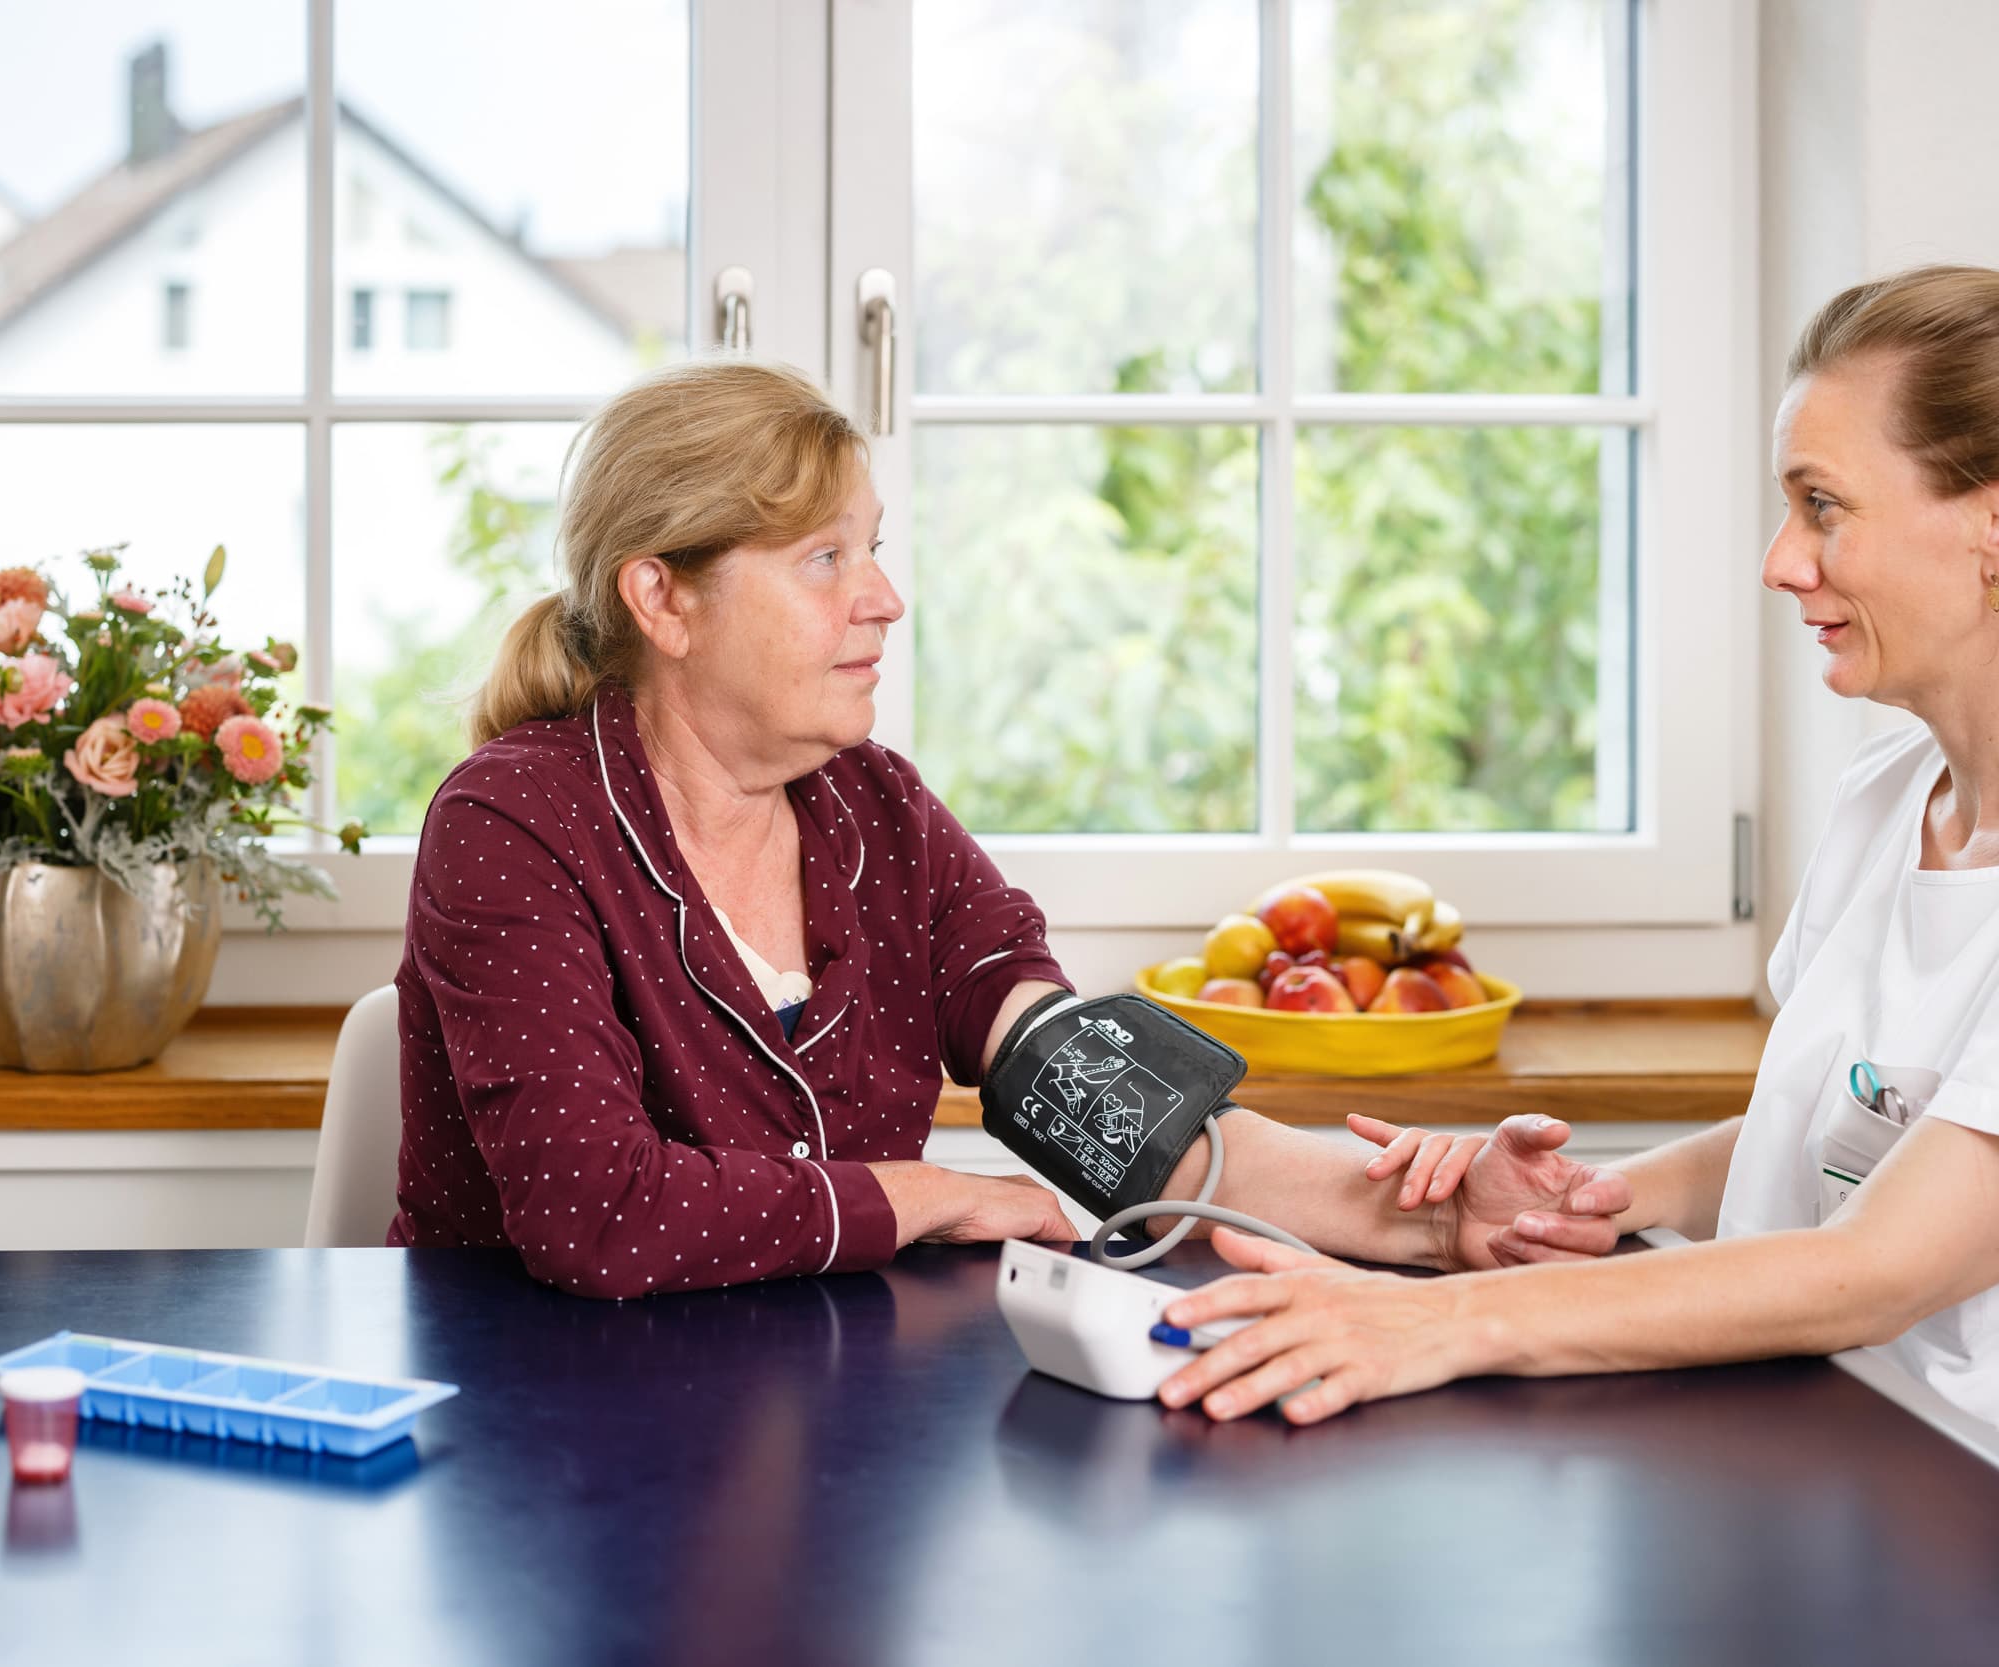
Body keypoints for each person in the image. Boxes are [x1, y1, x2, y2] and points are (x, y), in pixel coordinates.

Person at [1151, 266, 1999, 1597]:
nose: (1782, 560)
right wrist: (1596, 1197)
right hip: (1846, 1517)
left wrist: (1428, 1320)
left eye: (1823, 507)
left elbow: (1881, 1265)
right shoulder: (1893, 796)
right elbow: (1851, 1126)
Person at [388, 359, 1630, 1299]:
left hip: (822, 1406)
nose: (883, 599)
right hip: (533, 1415)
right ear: (661, 595)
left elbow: (1084, 1089)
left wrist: (1427, 1213)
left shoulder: (875, 805)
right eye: (824, 558)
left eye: (872, 549)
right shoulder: (514, 822)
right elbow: (597, 1212)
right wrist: (929, 1195)